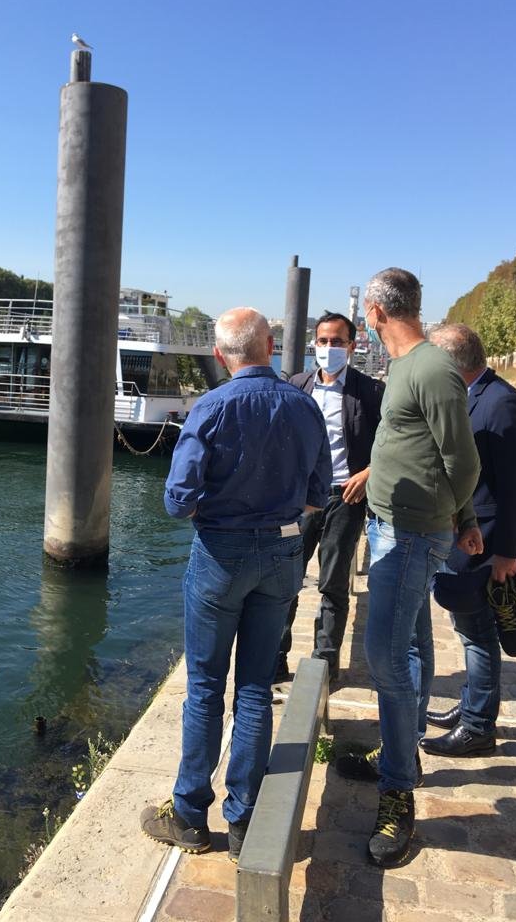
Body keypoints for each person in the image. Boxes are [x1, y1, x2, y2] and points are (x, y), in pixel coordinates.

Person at [140, 307, 331, 861]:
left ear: (222, 355)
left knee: (205, 686)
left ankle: (190, 815)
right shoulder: (304, 406)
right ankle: (244, 820)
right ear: (270, 347)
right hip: (282, 553)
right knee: (254, 686)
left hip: (220, 556)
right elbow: (321, 493)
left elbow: (177, 502)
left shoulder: (211, 407)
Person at [342, 268, 482, 868]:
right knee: (415, 650)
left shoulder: (429, 368)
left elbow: (462, 458)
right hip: (391, 524)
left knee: (386, 661)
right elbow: (416, 443)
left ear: (374, 311)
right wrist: (379, 474)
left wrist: (455, 518)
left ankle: (398, 793)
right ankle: (406, 754)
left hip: (411, 535)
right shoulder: (402, 367)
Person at [419, 324, 516, 756]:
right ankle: (472, 703)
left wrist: (507, 554)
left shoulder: (502, 405)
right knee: (469, 628)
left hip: (487, 541)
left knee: (479, 634)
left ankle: (478, 726)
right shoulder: (470, 396)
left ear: (452, 361)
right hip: (465, 536)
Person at [275, 312, 384, 684]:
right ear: (313, 345)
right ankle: (275, 658)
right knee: (286, 579)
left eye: (337, 341)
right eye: (322, 341)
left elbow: (390, 442)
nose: (328, 348)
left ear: (352, 346)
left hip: (344, 498)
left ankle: (324, 661)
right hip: (300, 500)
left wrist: (367, 474)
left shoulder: (369, 392)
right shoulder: (297, 385)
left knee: (333, 584)